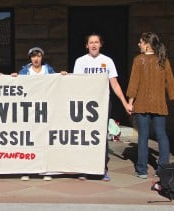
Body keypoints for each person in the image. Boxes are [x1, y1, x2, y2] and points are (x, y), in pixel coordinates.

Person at [73, 33, 131, 181]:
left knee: (101, 136)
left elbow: (115, 85)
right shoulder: (80, 62)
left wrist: (125, 103)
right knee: (85, 136)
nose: (93, 45)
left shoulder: (107, 61)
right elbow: (75, 84)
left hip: (103, 103)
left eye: (96, 42)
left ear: (100, 44)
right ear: (86, 45)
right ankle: (83, 168)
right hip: (85, 104)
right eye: (91, 42)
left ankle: (101, 169)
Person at [12, 47, 66, 181]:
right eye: (33, 56)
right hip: (30, 110)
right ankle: (27, 169)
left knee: (45, 141)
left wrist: (62, 76)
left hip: (45, 109)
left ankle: (45, 170)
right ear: (30, 58)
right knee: (29, 141)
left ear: (42, 57)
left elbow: (57, 81)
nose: (36, 59)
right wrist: (14, 78)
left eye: (39, 56)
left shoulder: (48, 70)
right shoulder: (25, 71)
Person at [126, 32, 174, 179]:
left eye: (140, 42)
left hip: (141, 104)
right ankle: (163, 168)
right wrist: (172, 97)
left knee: (143, 136)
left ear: (147, 44)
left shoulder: (139, 60)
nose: (139, 45)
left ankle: (142, 170)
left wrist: (130, 102)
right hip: (159, 104)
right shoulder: (163, 60)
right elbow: (170, 82)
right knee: (161, 135)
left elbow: (134, 83)